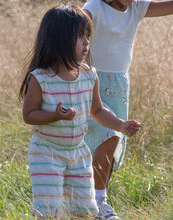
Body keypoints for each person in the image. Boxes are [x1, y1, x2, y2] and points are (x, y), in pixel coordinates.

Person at [19, 4, 140, 219]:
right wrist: (54, 115)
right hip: (47, 152)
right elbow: (29, 115)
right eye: (79, 36)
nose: (86, 41)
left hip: (78, 152)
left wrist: (120, 125)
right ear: (58, 39)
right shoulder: (41, 78)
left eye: (88, 35)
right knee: (48, 209)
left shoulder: (89, 75)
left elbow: (98, 110)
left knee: (84, 209)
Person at [82, 0, 173, 219]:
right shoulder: (95, 7)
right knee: (108, 135)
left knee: (113, 144)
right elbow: (72, 26)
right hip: (91, 79)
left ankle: (95, 201)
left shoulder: (136, 7)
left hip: (119, 84)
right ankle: (96, 203)